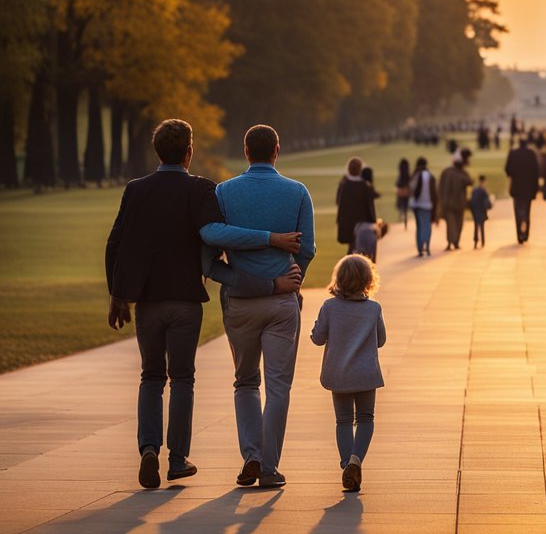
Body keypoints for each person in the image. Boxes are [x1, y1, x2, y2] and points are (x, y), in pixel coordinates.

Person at [105, 119, 303, 490]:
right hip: (185, 300)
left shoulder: (136, 189)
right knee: (182, 378)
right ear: (190, 152)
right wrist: (273, 252)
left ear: (157, 152)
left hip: (147, 300)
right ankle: (177, 459)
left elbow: (116, 243)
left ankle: (149, 447)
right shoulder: (200, 190)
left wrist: (118, 295)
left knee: (150, 376)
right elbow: (211, 239)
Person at [214, 124, 317, 489]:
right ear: (277, 149)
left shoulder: (224, 192)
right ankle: (270, 466)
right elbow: (307, 249)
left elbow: (213, 253)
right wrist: (294, 277)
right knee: (278, 387)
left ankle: (251, 457)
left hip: (240, 300)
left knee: (245, 382)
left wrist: (238, 278)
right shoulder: (297, 191)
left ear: (246, 151)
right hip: (280, 301)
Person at [310, 254, 386, 493]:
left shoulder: (329, 307)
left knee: (343, 420)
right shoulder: (373, 308)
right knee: (365, 418)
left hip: (339, 373)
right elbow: (381, 340)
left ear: (339, 279)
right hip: (365, 374)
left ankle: (346, 464)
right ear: (368, 280)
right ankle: (355, 461)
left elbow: (317, 338)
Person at [336, 158, 376, 255]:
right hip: (362, 224)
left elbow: (338, 202)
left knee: (351, 247)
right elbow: (369, 207)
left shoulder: (344, 184)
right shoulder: (364, 186)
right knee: (361, 250)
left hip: (346, 222)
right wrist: (373, 221)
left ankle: (348, 267)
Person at [505, 137, 540, 244]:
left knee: (518, 211)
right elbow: (536, 171)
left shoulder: (513, 153)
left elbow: (507, 170)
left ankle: (520, 234)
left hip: (517, 187)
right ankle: (525, 234)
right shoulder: (531, 154)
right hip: (528, 187)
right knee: (527, 211)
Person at [437, 154, 473, 251]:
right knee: (457, 223)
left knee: (451, 224)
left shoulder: (447, 172)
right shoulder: (461, 174)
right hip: (457, 203)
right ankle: (454, 241)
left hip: (450, 203)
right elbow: (470, 181)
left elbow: (439, 187)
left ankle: (452, 241)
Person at [408, 157, 437, 257]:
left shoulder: (416, 175)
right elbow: (434, 192)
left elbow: (410, 189)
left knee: (419, 226)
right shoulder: (430, 175)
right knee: (427, 226)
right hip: (428, 205)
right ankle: (427, 246)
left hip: (417, 204)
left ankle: (420, 248)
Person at [470, 175, 492, 248]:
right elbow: (487, 203)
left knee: (476, 227)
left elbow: (471, 201)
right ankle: (482, 242)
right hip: (482, 211)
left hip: (475, 211)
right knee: (482, 227)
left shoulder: (474, 190)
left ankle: (476, 241)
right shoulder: (483, 191)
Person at [394, 158, 411, 229]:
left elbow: (397, 184)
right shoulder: (408, 175)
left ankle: (402, 216)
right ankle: (404, 218)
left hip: (401, 193)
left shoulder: (400, 176)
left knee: (402, 206)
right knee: (405, 208)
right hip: (407, 193)